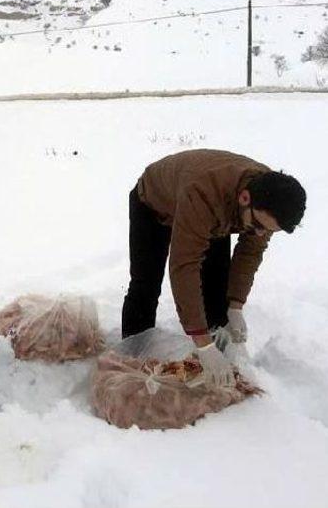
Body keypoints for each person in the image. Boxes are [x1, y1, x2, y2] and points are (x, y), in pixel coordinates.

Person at [121, 149, 306, 386]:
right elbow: (184, 265)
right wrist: (201, 341)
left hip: (218, 215)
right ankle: (130, 360)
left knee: (218, 289)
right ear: (245, 198)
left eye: (268, 230)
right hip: (154, 205)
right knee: (145, 285)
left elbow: (250, 252)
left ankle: (219, 362)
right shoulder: (204, 193)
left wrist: (236, 306)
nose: (260, 233)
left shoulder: (269, 198)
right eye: (259, 225)